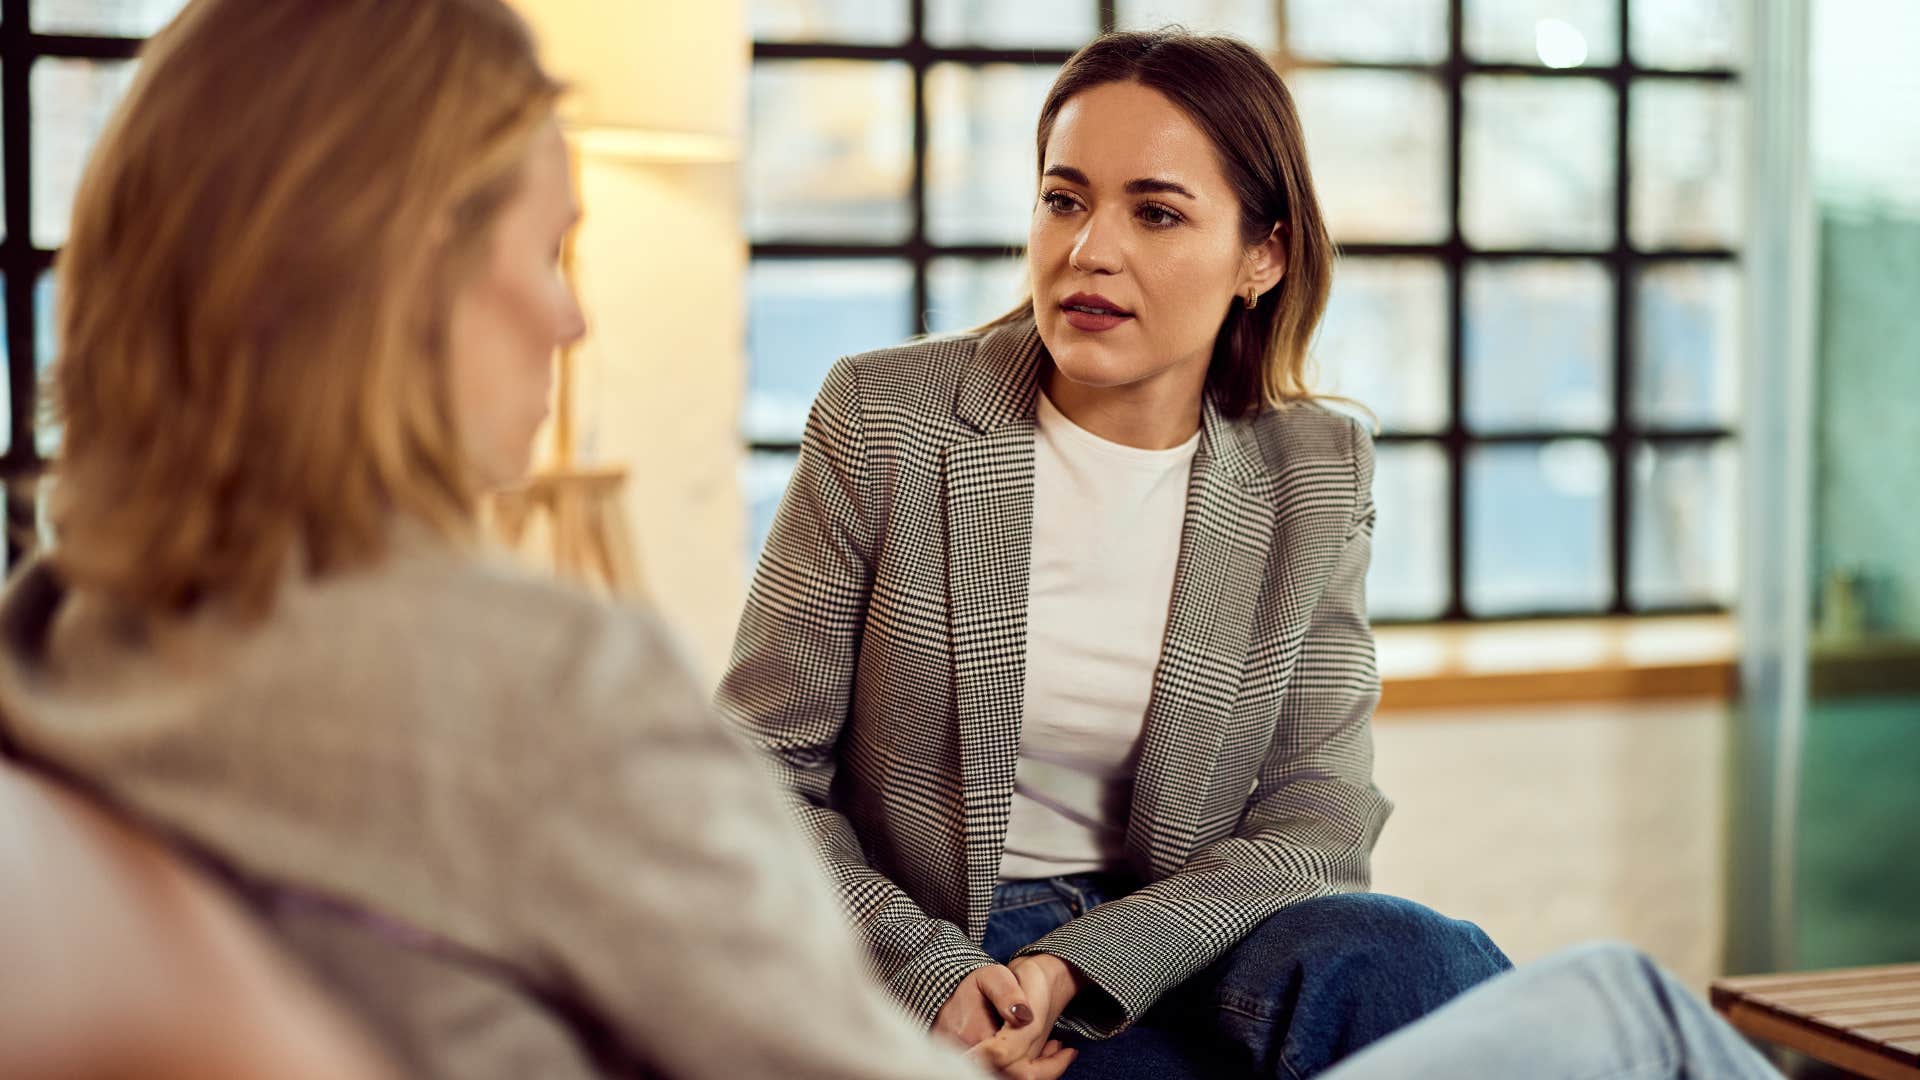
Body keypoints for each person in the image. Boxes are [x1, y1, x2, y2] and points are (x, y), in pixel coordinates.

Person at [0, 1, 999, 1077]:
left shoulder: (58, 635)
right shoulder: (550, 697)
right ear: (411, 276)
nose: (572, 320)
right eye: (550, 249)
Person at [718, 28, 1508, 1079]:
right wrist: (931, 975)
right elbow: (756, 771)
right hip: (941, 951)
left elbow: (1319, 816)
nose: (1090, 249)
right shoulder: (887, 418)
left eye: (1157, 212)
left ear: (1261, 256)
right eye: (1064, 198)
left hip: (1182, 944)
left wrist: (1081, 969)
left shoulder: (1315, 468)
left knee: (1417, 961)